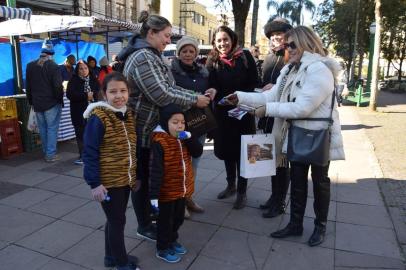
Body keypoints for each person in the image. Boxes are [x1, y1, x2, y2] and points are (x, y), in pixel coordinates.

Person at [229, 26, 345, 246]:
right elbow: (271, 95)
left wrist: (267, 110)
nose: (287, 48)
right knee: (298, 182)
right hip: (296, 133)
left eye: (291, 44)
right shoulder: (290, 69)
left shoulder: (319, 69)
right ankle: (295, 224)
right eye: (285, 45)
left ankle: (320, 226)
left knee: (320, 183)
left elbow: (302, 108)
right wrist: (240, 97)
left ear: (305, 42)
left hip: (318, 135)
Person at [117, 11, 211, 242]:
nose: (169, 40)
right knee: (142, 180)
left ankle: (151, 217)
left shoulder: (152, 55)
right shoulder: (142, 57)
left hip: (153, 131)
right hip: (142, 131)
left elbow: (169, 87)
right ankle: (144, 224)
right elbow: (161, 94)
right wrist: (193, 99)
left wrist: (192, 94)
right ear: (151, 33)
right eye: (166, 36)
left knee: (151, 177)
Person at [82, 72, 140, 270]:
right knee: (118, 221)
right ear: (104, 94)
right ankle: (121, 263)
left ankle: (111, 257)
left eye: (123, 91)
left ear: (129, 92)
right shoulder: (98, 118)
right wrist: (95, 183)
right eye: (113, 91)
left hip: (125, 179)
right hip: (108, 182)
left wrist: (134, 174)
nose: (119, 96)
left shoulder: (128, 113)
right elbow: (89, 152)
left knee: (114, 218)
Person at [206, 25, 259, 209]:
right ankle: (231, 185)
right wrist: (213, 92)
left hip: (243, 112)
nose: (222, 43)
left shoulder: (245, 57)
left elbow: (254, 82)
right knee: (228, 151)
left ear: (232, 39)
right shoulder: (212, 60)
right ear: (214, 42)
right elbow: (211, 84)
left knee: (244, 154)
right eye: (219, 40)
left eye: (225, 39)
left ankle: (242, 192)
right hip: (223, 114)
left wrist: (240, 98)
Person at [149, 104, 203, 263]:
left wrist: (190, 137)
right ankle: (162, 248)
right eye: (175, 122)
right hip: (166, 193)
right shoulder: (160, 141)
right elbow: (155, 170)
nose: (180, 125)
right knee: (165, 222)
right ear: (166, 123)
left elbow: (198, 152)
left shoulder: (183, 138)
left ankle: (172, 240)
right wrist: (154, 196)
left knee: (178, 218)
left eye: (182, 122)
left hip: (181, 190)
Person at [171, 35, 216, 217]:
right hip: (181, 125)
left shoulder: (203, 72)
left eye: (191, 51)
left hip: (199, 124)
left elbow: (209, 91)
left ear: (196, 53)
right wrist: (193, 100)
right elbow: (170, 96)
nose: (188, 54)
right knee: (180, 163)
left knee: (194, 163)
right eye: (184, 51)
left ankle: (188, 197)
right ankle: (179, 202)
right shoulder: (171, 73)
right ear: (178, 53)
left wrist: (212, 91)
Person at [258, 17, 293, 219]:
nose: (275, 38)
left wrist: (275, 89)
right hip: (268, 115)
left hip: (283, 118)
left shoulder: (291, 58)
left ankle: (280, 202)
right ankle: (274, 196)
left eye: (279, 35)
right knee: (271, 161)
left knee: (281, 163)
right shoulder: (270, 58)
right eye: (272, 35)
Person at [26, 39, 64, 162]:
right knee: (52, 128)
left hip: (37, 103)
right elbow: (58, 86)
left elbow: (28, 86)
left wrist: (31, 101)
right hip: (52, 103)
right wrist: (59, 99)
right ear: (52, 53)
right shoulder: (53, 66)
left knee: (42, 129)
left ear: (42, 52)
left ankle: (46, 152)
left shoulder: (30, 65)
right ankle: (50, 155)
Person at [67, 60, 100, 165]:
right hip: (78, 112)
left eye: (85, 68)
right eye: (81, 68)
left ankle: (94, 155)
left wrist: (93, 95)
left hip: (93, 112)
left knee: (93, 134)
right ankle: (83, 156)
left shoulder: (93, 79)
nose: (84, 70)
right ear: (77, 70)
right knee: (81, 134)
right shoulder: (73, 80)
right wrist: (85, 96)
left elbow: (99, 92)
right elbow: (70, 95)